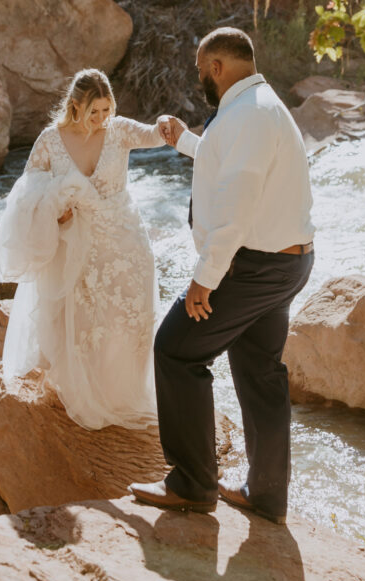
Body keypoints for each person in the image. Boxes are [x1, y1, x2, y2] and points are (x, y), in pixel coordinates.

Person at [130, 27, 314, 522]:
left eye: (199, 69)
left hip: (252, 266)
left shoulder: (249, 114)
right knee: (259, 372)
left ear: (216, 67)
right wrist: (186, 141)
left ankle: (192, 484)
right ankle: (267, 495)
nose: (198, 78)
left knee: (175, 350)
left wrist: (204, 277)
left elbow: (238, 200)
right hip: (283, 262)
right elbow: (227, 159)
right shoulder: (255, 106)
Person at [0, 68, 166, 430]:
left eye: (106, 109)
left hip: (126, 242)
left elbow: (154, 136)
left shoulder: (120, 129)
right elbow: (29, 184)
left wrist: (166, 126)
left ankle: (125, 393)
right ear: (75, 106)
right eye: (93, 111)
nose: (100, 119)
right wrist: (55, 205)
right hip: (76, 245)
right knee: (83, 322)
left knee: (129, 318)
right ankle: (84, 392)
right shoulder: (51, 140)